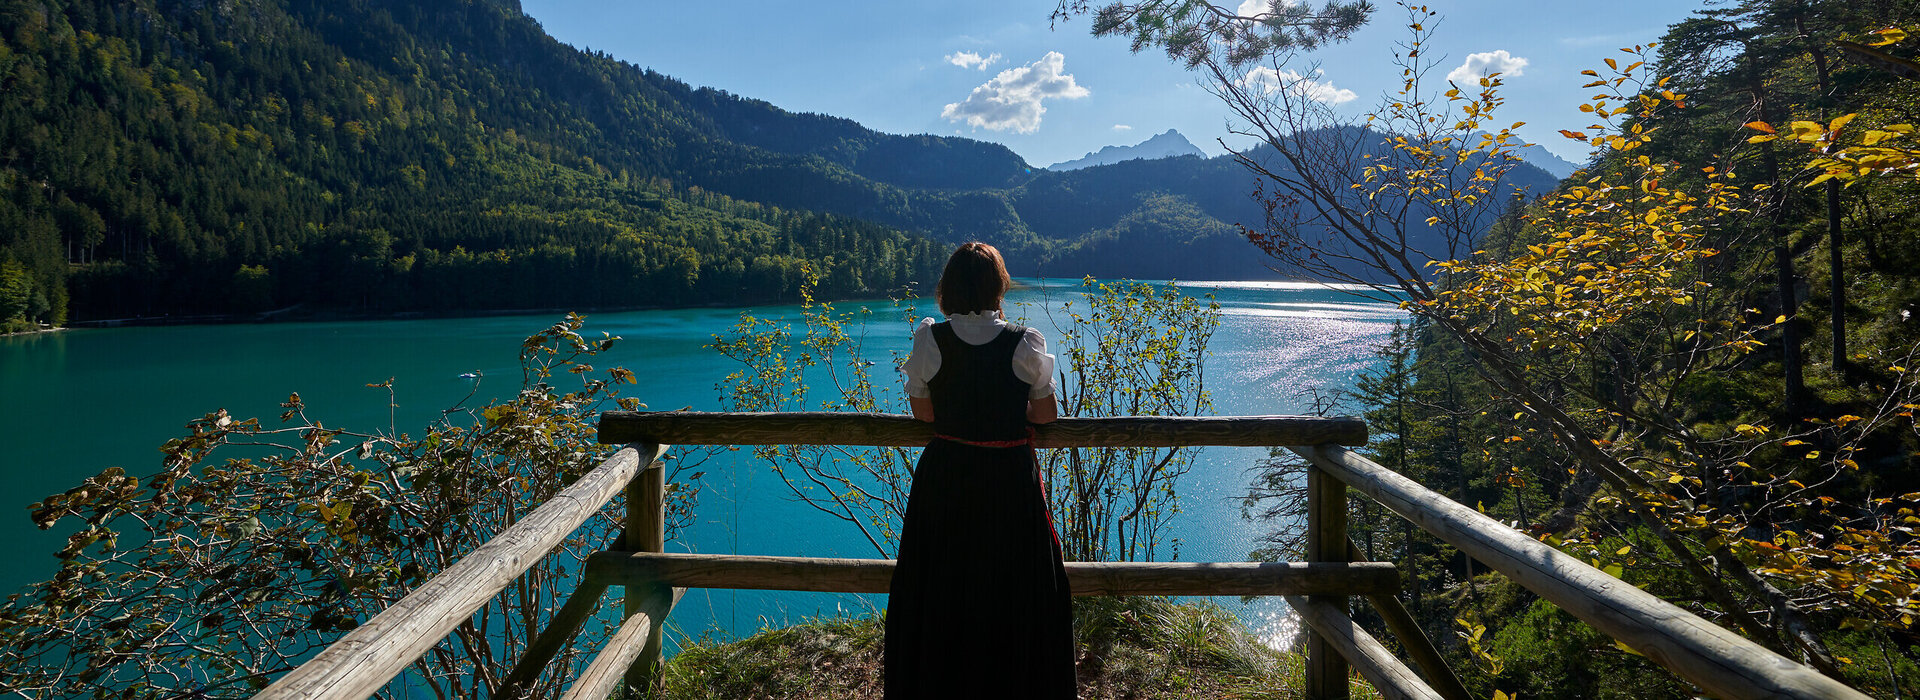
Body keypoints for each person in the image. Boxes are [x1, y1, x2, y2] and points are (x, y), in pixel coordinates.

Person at [884, 242, 1076, 699]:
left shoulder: (931, 339)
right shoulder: (1024, 341)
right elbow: (1046, 415)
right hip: (1009, 480)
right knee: (1012, 583)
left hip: (946, 479)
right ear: (998, 287)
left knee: (944, 581)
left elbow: (924, 415)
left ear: (948, 288)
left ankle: (940, 682)